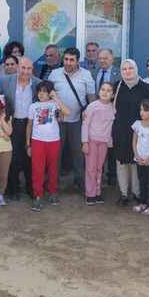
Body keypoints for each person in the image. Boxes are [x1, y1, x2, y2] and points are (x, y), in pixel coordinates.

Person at [48, 47, 96, 191]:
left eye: (72, 60)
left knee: (78, 154)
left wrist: (90, 116)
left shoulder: (86, 75)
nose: (68, 63)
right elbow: (49, 95)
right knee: (56, 154)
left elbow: (91, 98)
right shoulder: (55, 73)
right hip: (58, 121)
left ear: (77, 61)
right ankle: (53, 183)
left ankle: (80, 182)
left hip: (78, 122)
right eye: (66, 59)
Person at [112, 59, 149, 207]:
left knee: (136, 162)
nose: (127, 71)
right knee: (121, 162)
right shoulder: (117, 87)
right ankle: (124, 194)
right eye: (124, 69)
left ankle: (138, 193)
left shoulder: (145, 87)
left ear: (136, 69)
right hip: (120, 130)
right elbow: (106, 104)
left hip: (140, 132)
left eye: (130, 68)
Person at [0, 57, 40, 200]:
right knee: (13, 158)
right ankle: (13, 189)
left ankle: (30, 187)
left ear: (32, 69)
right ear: (18, 67)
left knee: (30, 158)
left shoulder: (38, 84)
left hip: (31, 126)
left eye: (29, 69)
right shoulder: (5, 81)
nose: (26, 71)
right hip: (12, 124)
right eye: (23, 68)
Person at [26, 81, 70, 212]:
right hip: (37, 141)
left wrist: (56, 98)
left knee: (53, 168)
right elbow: (29, 125)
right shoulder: (33, 106)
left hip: (54, 141)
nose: (41, 94)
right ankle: (38, 195)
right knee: (37, 170)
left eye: (45, 91)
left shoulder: (55, 104)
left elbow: (67, 112)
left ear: (50, 92)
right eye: (39, 91)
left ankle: (52, 192)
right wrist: (28, 144)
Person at [81, 82, 115, 205]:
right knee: (90, 168)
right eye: (103, 89)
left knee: (99, 168)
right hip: (91, 141)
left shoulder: (113, 107)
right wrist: (84, 142)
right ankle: (90, 194)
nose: (105, 92)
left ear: (113, 94)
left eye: (109, 90)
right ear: (99, 91)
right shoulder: (92, 106)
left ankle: (98, 192)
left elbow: (111, 125)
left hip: (104, 143)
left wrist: (110, 141)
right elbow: (85, 124)